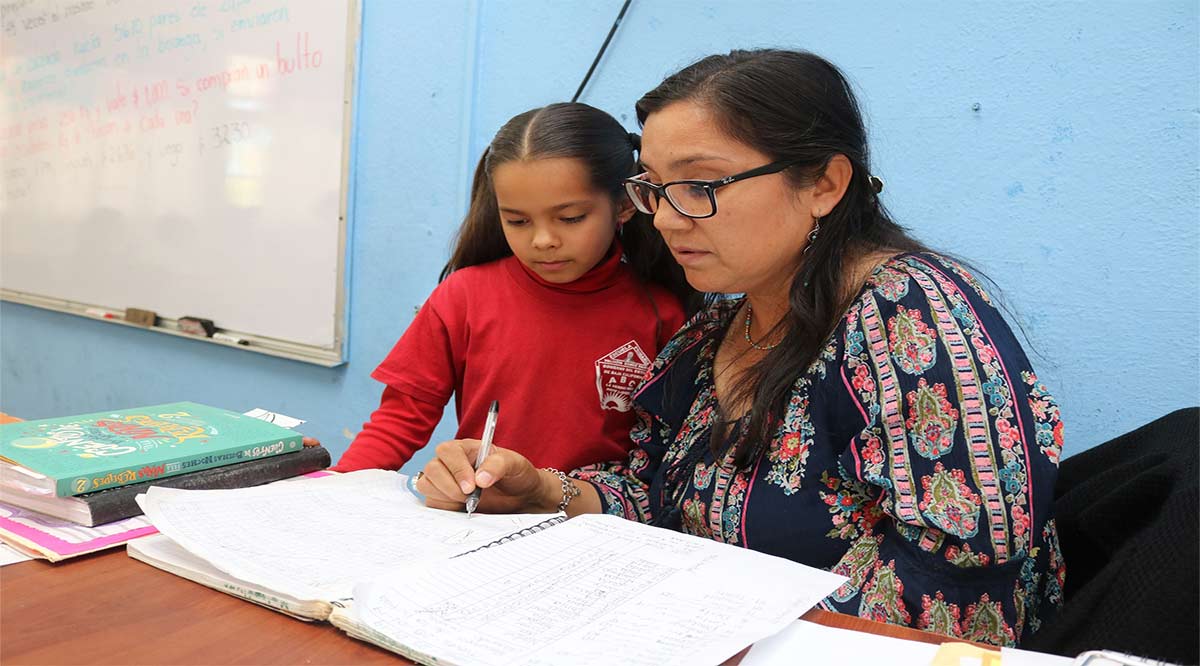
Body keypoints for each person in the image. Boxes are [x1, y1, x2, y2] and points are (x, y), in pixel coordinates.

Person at [416, 50, 1065, 647]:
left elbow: (967, 579)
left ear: (823, 185)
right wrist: (541, 490)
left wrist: (726, 639)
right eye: (655, 189)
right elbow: (659, 504)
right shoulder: (712, 332)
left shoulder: (911, 316)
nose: (667, 219)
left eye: (701, 186)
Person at [328, 102, 693, 473]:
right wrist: (335, 489)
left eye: (570, 218)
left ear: (624, 206)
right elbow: (399, 420)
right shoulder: (464, 296)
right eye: (517, 221)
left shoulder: (664, 314)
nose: (543, 240)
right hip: (483, 516)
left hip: (595, 521)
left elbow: (666, 453)